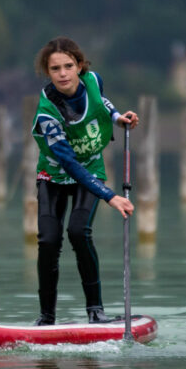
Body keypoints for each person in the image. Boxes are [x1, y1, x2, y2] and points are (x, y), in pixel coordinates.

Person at [31, 36, 139, 325]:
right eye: (55, 69)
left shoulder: (93, 79)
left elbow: (101, 102)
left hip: (90, 169)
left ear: (79, 66)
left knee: (79, 232)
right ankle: (46, 319)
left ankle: (95, 311)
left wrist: (118, 118)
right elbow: (68, 163)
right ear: (48, 72)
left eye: (68, 66)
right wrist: (110, 196)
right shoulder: (47, 113)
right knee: (49, 241)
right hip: (54, 174)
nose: (63, 74)